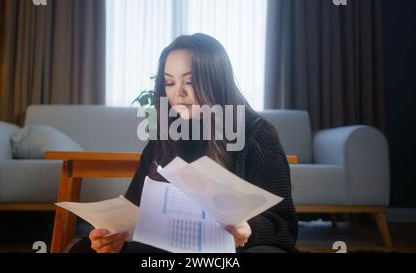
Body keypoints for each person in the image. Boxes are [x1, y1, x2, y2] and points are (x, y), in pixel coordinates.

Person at [84, 33, 297, 253]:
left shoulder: (257, 135)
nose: (178, 93)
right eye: (169, 82)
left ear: (216, 80)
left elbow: (284, 227)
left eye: (190, 81)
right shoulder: (165, 137)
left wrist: (249, 230)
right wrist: (113, 238)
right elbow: (133, 208)